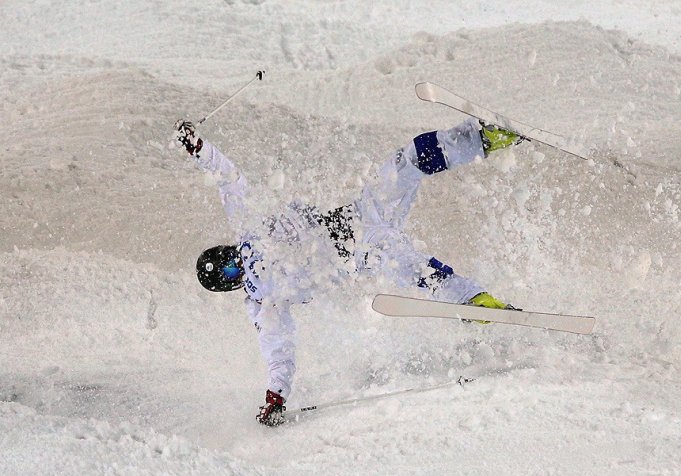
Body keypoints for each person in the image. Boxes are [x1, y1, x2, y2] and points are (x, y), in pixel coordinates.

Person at [173, 116, 525, 426]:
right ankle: (476, 302)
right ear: (230, 286)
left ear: (228, 248)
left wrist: (198, 148)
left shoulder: (248, 227)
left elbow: (229, 179)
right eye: (230, 273)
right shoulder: (262, 302)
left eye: (229, 259)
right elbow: (279, 351)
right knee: (415, 268)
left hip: (360, 214)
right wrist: (275, 396)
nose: (237, 266)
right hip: (361, 252)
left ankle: (482, 138)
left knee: (409, 159)